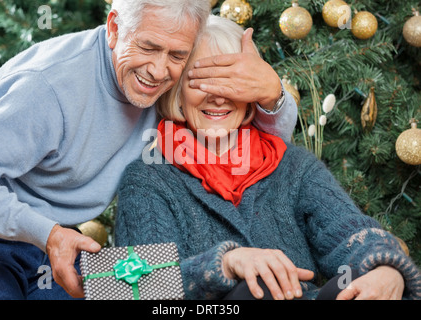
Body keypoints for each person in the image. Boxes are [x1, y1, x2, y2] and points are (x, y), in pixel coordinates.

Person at [0, 0, 297, 299]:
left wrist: (272, 96)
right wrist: (48, 234)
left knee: (138, 287)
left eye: (176, 55)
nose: (157, 71)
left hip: (59, 244)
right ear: (114, 28)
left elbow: (254, 149)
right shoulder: (48, 86)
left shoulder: (167, 91)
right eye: (148, 47)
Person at [115, 15, 421, 300]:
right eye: (202, 80)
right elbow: (139, 286)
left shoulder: (294, 166)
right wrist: (225, 264)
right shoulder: (147, 179)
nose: (219, 96)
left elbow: (352, 233)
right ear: (177, 91)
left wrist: (386, 270)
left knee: (359, 278)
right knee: (253, 288)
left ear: (253, 91)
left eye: (233, 82)